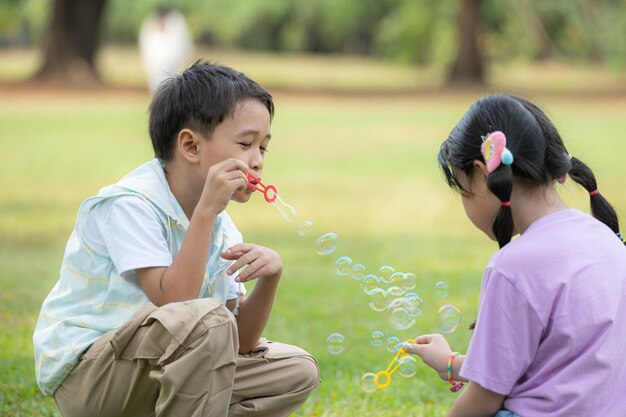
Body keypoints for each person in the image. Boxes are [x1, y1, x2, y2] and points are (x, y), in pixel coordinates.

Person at [33, 61, 320, 417]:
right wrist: (204, 213)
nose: (257, 161)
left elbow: (240, 343)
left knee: (295, 370)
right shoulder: (130, 205)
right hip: (92, 378)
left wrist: (271, 278)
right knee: (208, 321)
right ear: (190, 145)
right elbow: (175, 302)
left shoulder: (221, 225)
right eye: (246, 143)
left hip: (163, 368)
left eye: (263, 148)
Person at [403, 94, 626, 417]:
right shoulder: (608, 240)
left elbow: (485, 399)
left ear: (482, 174)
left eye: (462, 190)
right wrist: (452, 364)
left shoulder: (513, 266)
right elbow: (558, 367)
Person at [139, 5, 194, 93]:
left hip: (173, 64)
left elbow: (183, 45)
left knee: (173, 87)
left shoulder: (176, 24)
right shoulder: (150, 25)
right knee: (157, 88)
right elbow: (146, 46)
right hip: (155, 64)